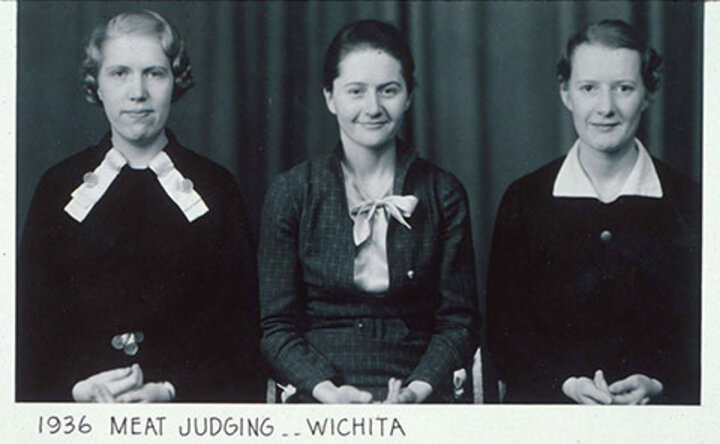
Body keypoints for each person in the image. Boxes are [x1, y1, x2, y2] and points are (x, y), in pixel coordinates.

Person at [17, 10, 263, 402]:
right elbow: (25, 323)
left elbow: (241, 330)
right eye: (119, 73)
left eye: (154, 73)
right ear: (96, 85)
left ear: (175, 81)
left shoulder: (217, 189)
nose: (138, 92)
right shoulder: (58, 188)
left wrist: (170, 391)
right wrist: (77, 389)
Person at [259, 20, 478, 403]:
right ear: (330, 97)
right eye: (355, 92)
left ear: (409, 95)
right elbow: (276, 326)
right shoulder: (292, 192)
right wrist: (327, 390)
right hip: (320, 390)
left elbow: (458, 322)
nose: (373, 108)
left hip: (419, 386)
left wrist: (416, 390)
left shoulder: (443, 193)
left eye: (388, 91)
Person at [486, 19, 700, 404]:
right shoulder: (524, 200)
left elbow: (706, 336)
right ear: (566, 93)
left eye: (624, 88)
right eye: (589, 88)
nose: (606, 107)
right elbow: (505, 336)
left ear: (648, 94)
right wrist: (564, 385)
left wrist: (661, 383)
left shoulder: (691, 202)